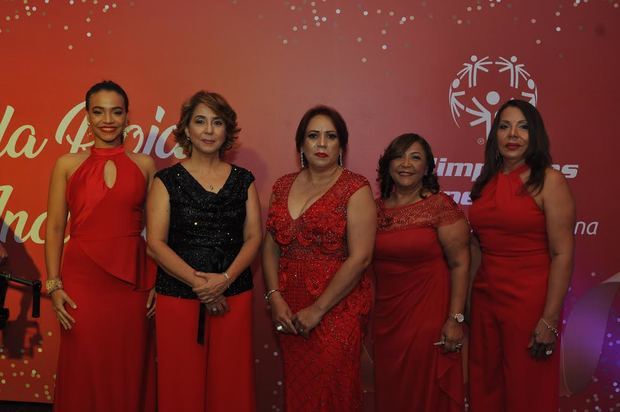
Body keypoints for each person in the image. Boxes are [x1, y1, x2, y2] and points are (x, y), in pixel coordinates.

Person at [146, 90, 261, 412]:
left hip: (234, 294)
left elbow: (254, 237)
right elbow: (155, 244)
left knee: (231, 384)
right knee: (180, 384)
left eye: (217, 122)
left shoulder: (244, 180)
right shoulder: (165, 180)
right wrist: (203, 285)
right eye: (200, 121)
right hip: (178, 296)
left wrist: (224, 280)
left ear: (227, 131)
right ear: (186, 129)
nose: (209, 130)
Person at [45, 80, 156, 412]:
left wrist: (156, 280)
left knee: (128, 367)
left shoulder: (145, 165)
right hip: (82, 282)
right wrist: (53, 285)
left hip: (132, 281)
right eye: (99, 111)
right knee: (83, 366)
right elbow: (53, 227)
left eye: (116, 111)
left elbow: (155, 232)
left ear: (126, 116)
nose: (108, 119)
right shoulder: (67, 163)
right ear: (87, 116)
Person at [262, 105, 376, 411]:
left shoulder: (355, 188)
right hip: (290, 309)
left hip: (337, 308)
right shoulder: (282, 186)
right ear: (301, 144)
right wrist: (274, 296)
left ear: (341, 145)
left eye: (330, 136)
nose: (322, 144)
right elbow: (270, 245)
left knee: (333, 388)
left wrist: (318, 309)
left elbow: (361, 258)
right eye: (313, 136)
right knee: (301, 392)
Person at [468, 99, 575, 412]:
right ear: (495, 136)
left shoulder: (550, 181)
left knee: (527, 392)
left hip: (529, 302)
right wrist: (466, 306)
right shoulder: (486, 182)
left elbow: (562, 253)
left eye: (523, 126)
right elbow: (478, 245)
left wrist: (550, 320)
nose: (512, 134)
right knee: (486, 389)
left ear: (535, 134)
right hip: (486, 300)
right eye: (504, 126)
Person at [372, 134, 469, 411]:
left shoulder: (440, 206)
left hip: (428, 321)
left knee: (424, 397)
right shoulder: (374, 210)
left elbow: (461, 264)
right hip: (387, 324)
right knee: (393, 396)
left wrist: (455, 320)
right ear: (388, 164)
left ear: (427, 167)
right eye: (399, 156)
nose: (406, 164)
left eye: (415, 157)